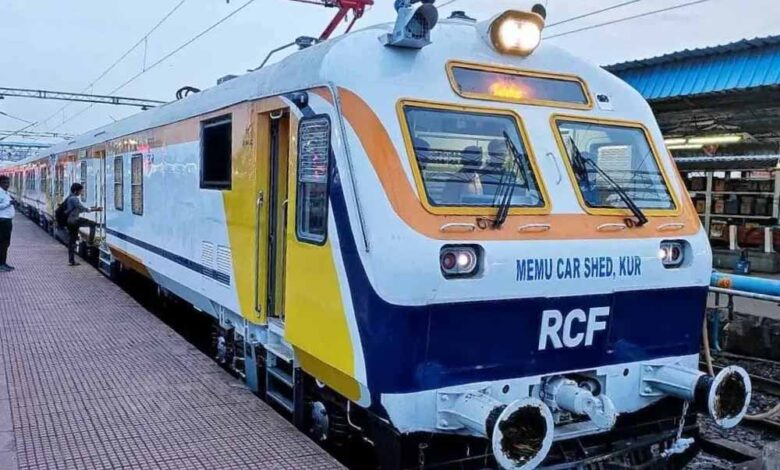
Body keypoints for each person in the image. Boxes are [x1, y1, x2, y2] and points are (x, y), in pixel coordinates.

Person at [63, 183, 101, 266]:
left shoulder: (69, 198)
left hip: (70, 221)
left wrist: (92, 208)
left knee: (72, 241)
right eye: (80, 191)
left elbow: (78, 209)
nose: (81, 192)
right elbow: (82, 209)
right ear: (76, 191)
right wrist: (95, 209)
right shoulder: (74, 199)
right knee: (93, 224)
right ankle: (90, 242)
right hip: (74, 221)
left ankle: (71, 260)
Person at [0, 175, 15, 272]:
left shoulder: (5, 193)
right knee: (2, 243)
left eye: (8, 183)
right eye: (5, 183)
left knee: (6, 243)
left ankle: (3, 263)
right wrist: (9, 203)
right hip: (2, 221)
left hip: (7, 220)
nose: (7, 185)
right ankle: (1, 264)